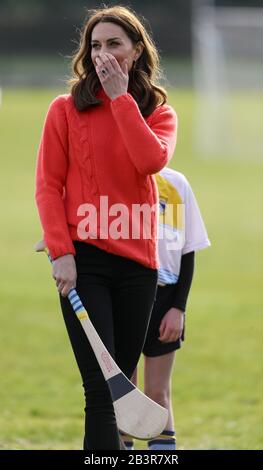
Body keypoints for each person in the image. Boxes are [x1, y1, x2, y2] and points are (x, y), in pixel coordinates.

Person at [35, 6, 177, 450]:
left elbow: (151, 161)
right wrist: (62, 252)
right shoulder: (64, 110)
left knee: (122, 389)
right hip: (84, 264)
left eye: (114, 44)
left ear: (136, 51)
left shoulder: (159, 112)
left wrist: (121, 101)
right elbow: (47, 186)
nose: (103, 54)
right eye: (95, 45)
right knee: (100, 390)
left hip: (139, 267)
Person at [120, 167, 210, 450]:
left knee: (158, 394)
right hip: (125, 295)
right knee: (126, 396)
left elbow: (187, 249)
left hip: (165, 298)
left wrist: (178, 308)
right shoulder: (117, 178)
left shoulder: (174, 184)